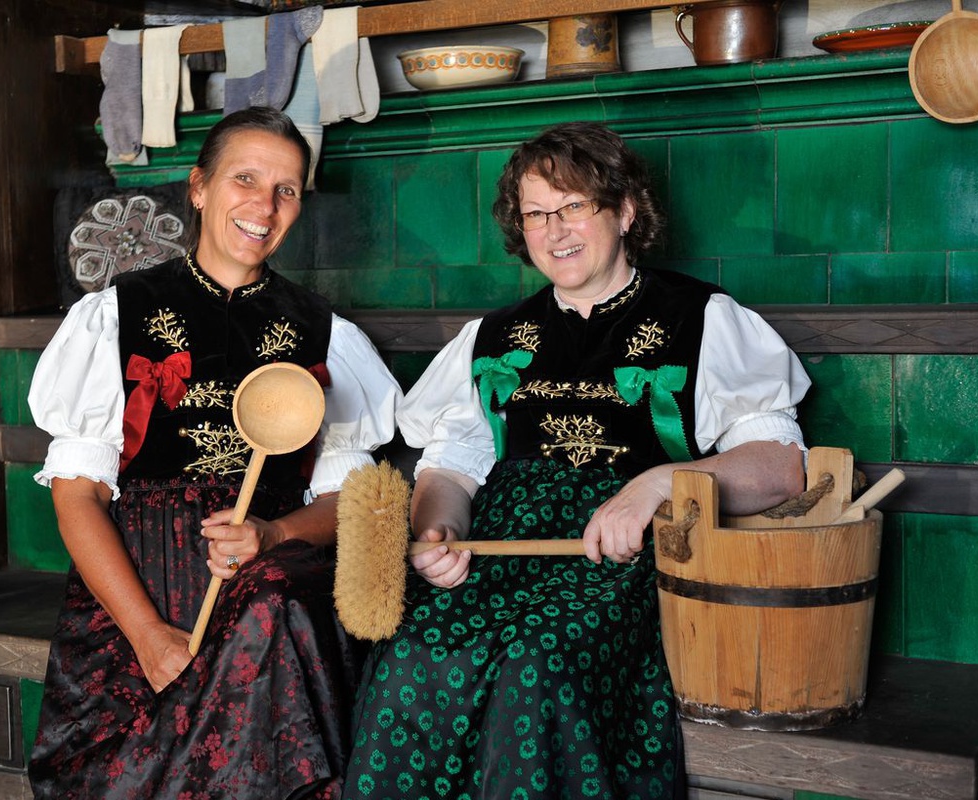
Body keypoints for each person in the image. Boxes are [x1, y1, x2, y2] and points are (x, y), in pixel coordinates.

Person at [342, 122, 811, 799]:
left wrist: (657, 485)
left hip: (621, 561)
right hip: (498, 554)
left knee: (536, 666)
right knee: (412, 656)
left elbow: (781, 466)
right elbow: (450, 468)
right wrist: (438, 533)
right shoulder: (494, 336)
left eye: (573, 207)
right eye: (536, 213)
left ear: (623, 212)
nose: (554, 229)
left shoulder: (701, 318)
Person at [27, 106, 401, 799]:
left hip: (272, 566)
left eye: (286, 189)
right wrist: (145, 634)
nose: (265, 205)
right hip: (144, 572)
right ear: (198, 187)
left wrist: (274, 531)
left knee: (275, 604)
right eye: (246, 179)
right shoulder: (116, 316)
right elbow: (76, 493)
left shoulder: (325, 335)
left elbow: (345, 501)